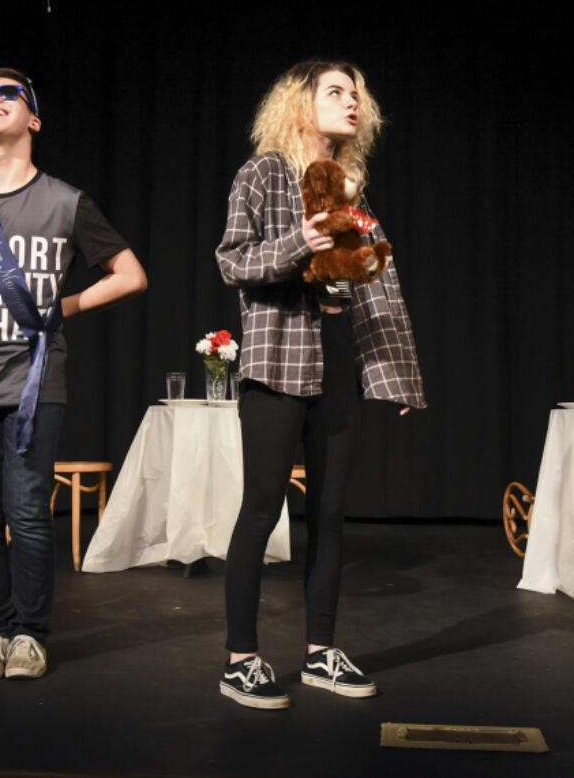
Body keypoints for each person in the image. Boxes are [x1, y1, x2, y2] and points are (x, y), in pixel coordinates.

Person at [215, 61, 426, 709]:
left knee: (329, 515)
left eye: (357, 94)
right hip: (278, 362)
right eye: (337, 92)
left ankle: (320, 652)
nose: (352, 102)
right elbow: (232, 261)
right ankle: (241, 660)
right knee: (261, 509)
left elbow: (378, 288)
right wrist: (296, 244)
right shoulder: (262, 174)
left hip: (335, 365)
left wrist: (393, 374)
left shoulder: (351, 189)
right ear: (298, 104)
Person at [0, 68, 146, 680]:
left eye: (9, 94)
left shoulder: (65, 200)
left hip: (33, 378)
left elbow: (130, 274)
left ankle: (29, 634)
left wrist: (65, 307)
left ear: (33, 119)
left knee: (28, 511)